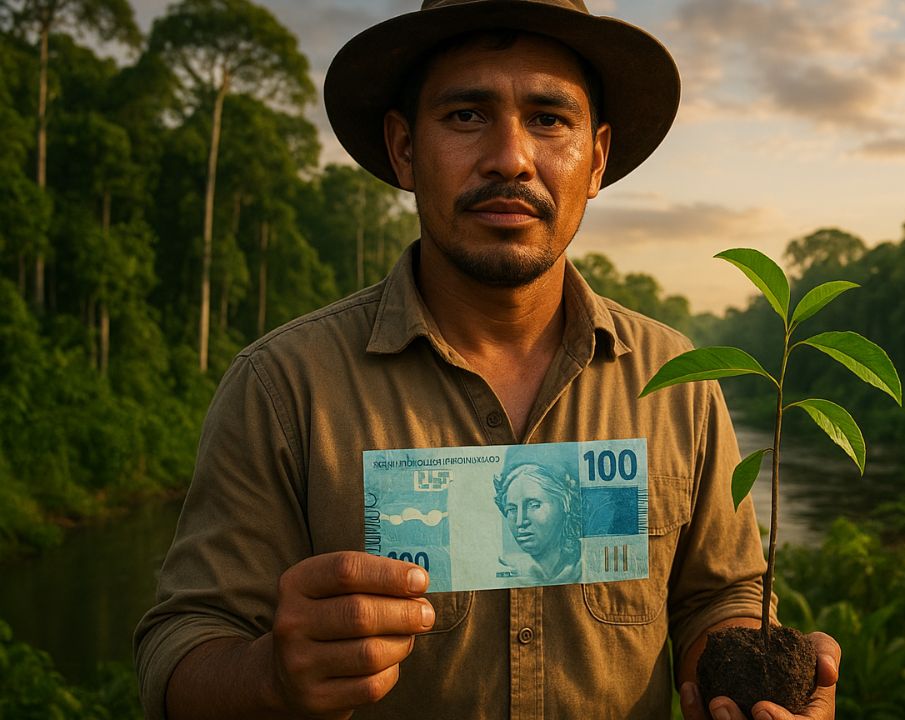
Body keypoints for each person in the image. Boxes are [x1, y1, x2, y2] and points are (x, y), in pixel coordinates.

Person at [133, 1, 840, 719]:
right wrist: (269, 678)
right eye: (467, 116)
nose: (511, 158)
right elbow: (181, 645)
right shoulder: (285, 387)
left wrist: (747, 683)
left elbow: (719, 596)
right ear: (404, 149)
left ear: (596, 159)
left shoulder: (673, 381)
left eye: (549, 119)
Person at [493, 462, 582, 584]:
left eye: (534, 505)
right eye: (512, 509)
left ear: (565, 505)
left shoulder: (586, 564)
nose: (520, 522)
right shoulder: (510, 575)